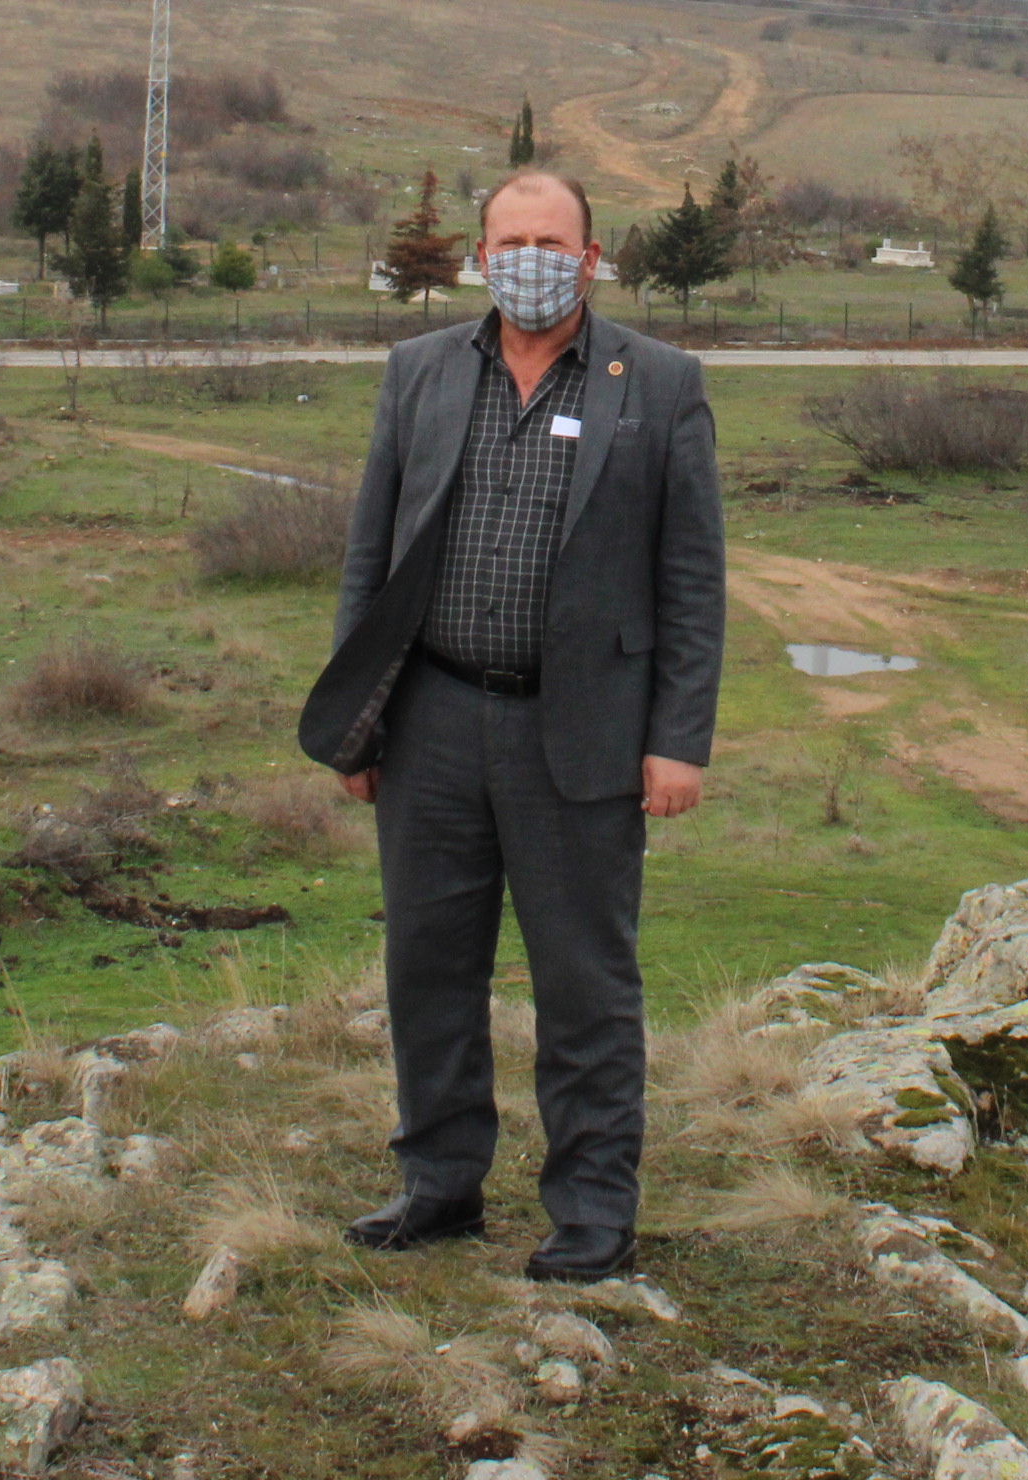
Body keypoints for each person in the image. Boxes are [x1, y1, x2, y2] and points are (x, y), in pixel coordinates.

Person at [297, 166, 724, 1282]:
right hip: (433, 716)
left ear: (591, 257)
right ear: (482, 255)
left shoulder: (662, 383)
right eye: (510, 239)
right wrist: (359, 723)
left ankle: (592, 1212)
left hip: (579, 732)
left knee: (585, 984)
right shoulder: (420, 372)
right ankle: (437, 1187)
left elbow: (692, 580)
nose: (530, 259)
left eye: (553, 241)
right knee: (429, 970)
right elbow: (370, 556)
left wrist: (678, 739)